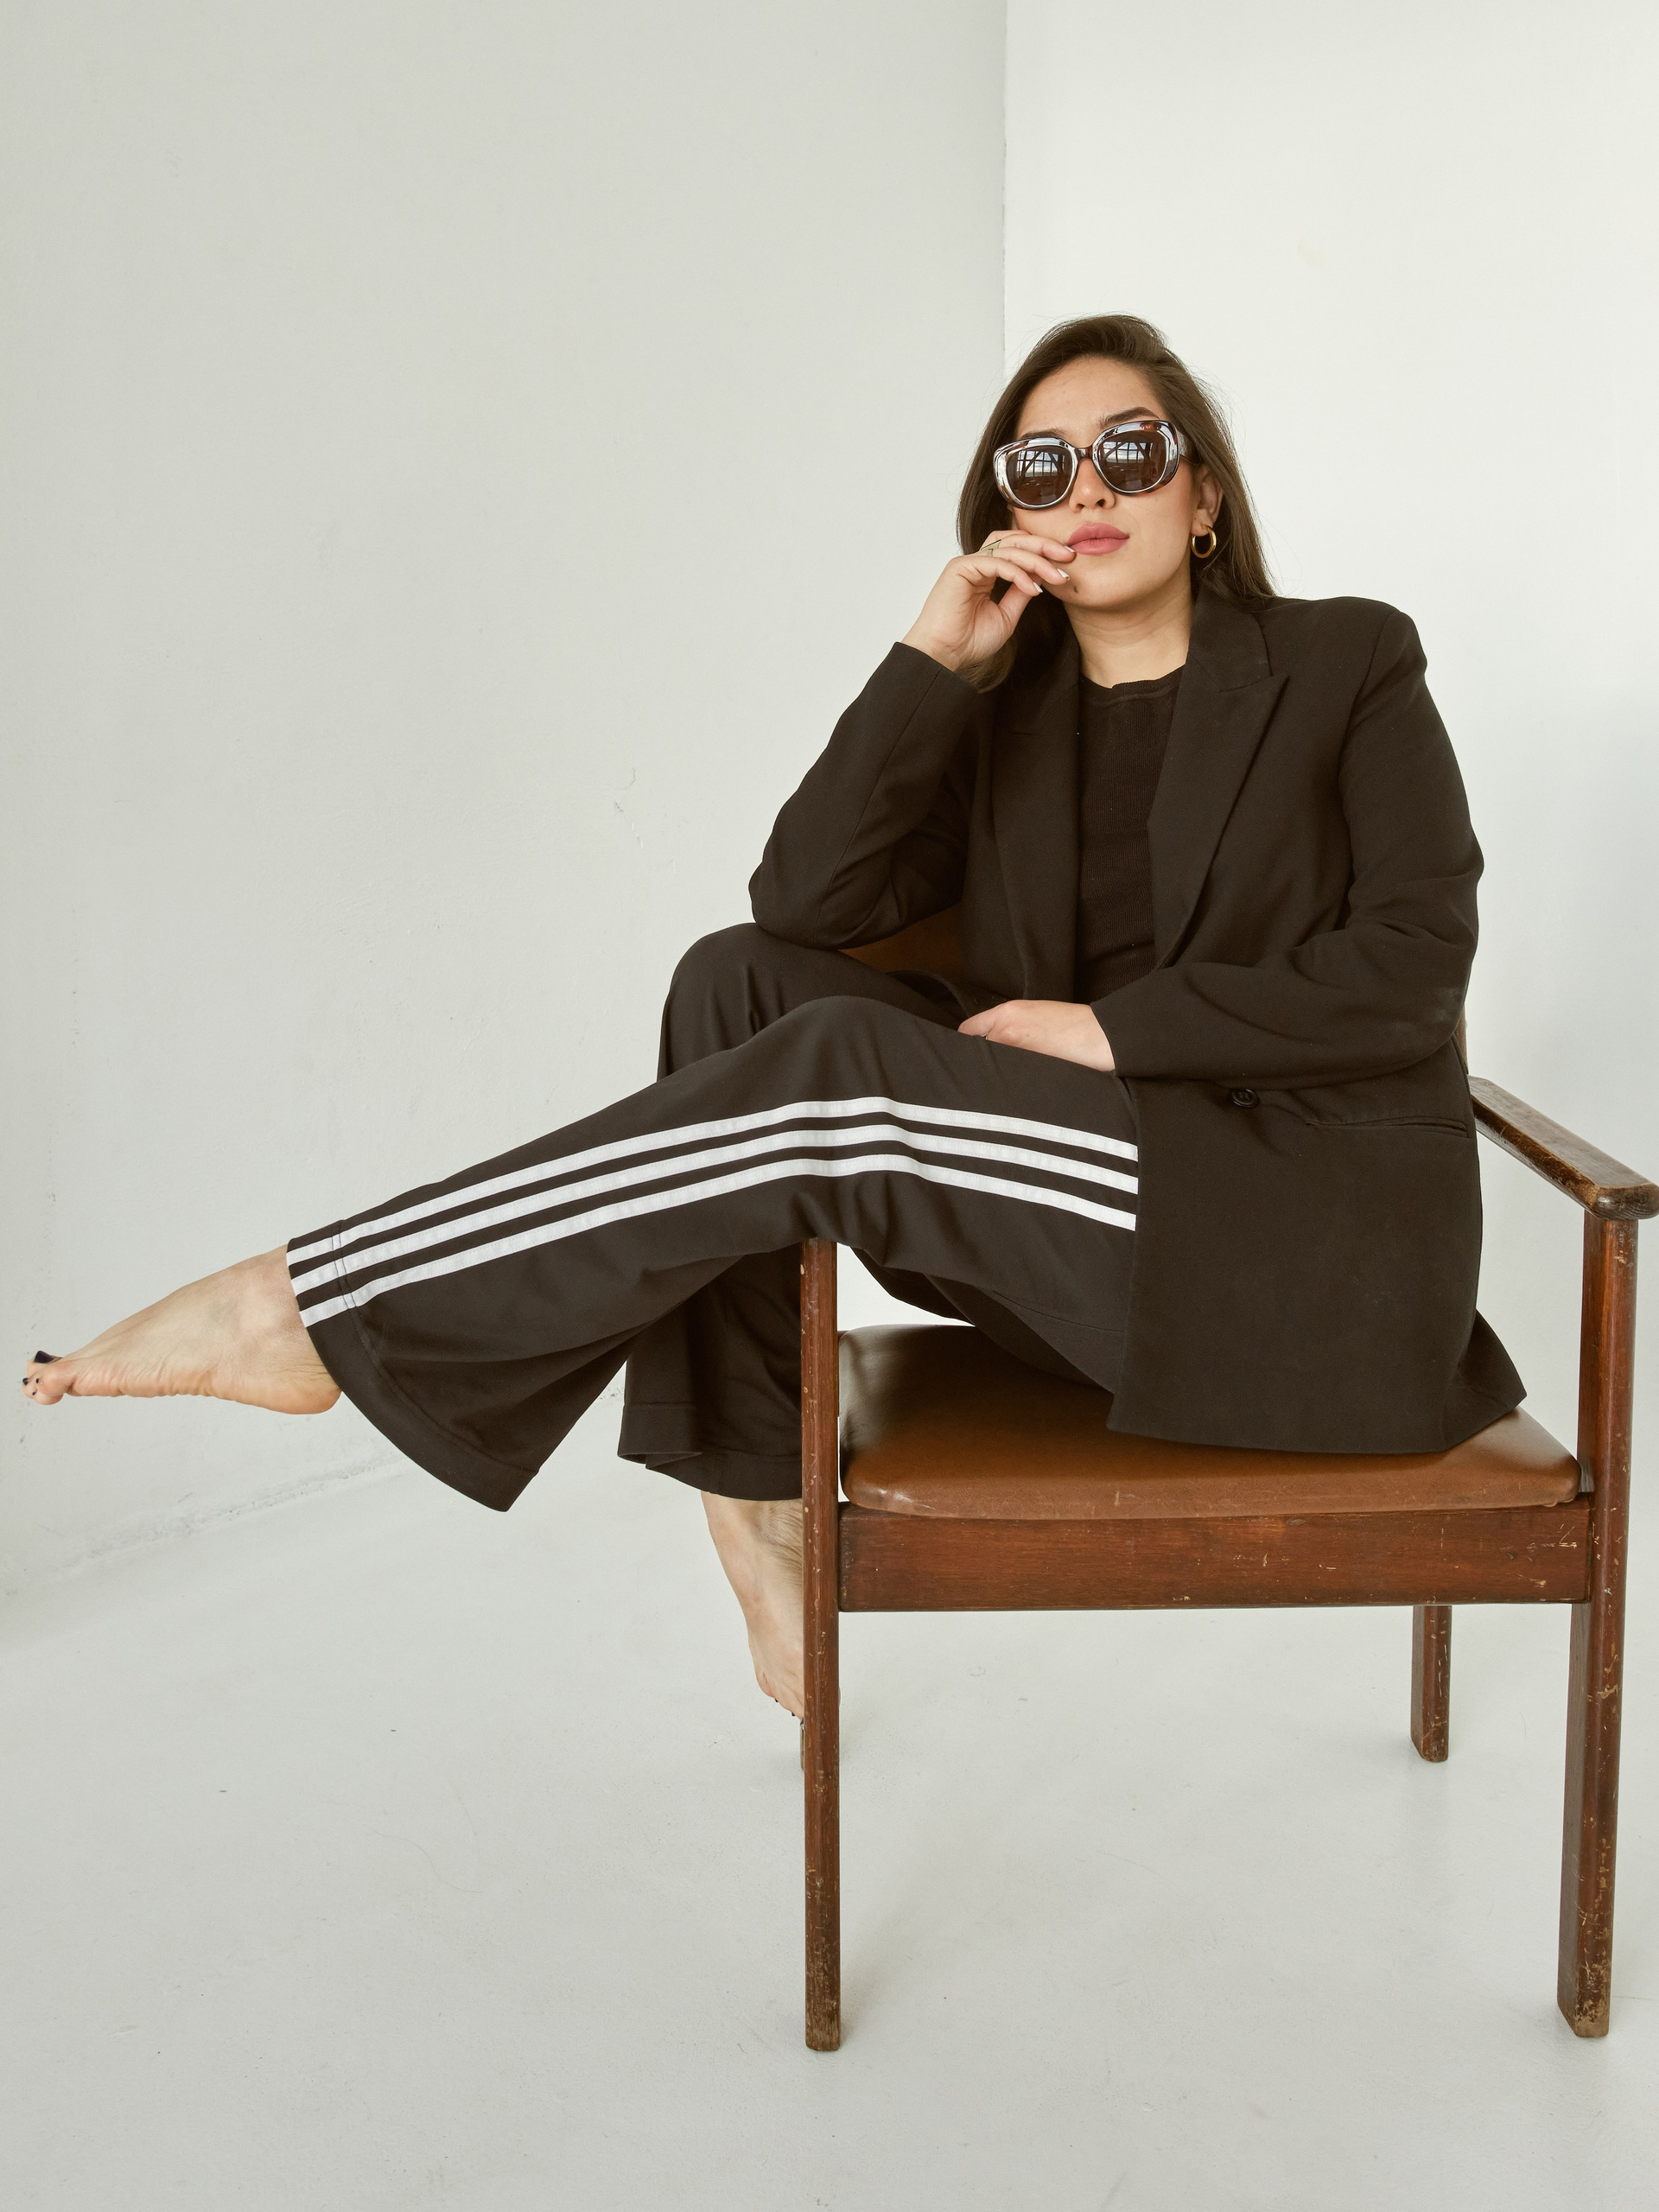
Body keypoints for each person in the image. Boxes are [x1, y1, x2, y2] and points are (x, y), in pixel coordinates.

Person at [21, 313, 1522, 1721]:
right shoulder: (1005, 718)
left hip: (1291, 1255)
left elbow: (1416, 964)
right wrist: (932, 665)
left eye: (1130, 452)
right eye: (1042, 464)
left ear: (1203, 495)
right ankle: (752, 1491)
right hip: (1073, 1245)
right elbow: (803, 903)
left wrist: (1113, 1032)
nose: (1087, 489)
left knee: (837, 1073)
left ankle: (312, 1308)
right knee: (734, 979)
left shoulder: (1345, 662)